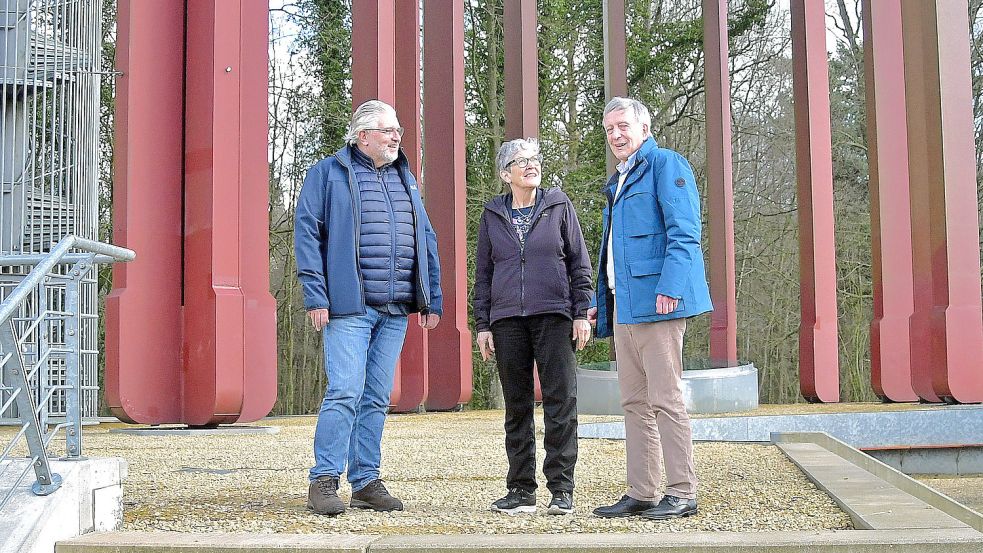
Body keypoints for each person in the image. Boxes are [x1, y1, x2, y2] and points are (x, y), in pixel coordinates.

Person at [294, 99, 442, 516]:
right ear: (363, 136)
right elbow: (308, 235)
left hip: (395, 309)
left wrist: (431, 295)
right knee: (344, 391)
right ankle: (323, 479)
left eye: (398, 131)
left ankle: (366, 481)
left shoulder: (405, 178)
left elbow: (425, 237)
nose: (397, 137)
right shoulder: (327, 174)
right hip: (347, 308)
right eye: (388, 130)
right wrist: (316, 296)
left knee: (377, 396)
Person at [587, 97, 712, 520]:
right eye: (609, 129)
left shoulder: (665, 165)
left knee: (666, 399)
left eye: (623, 126)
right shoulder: (618, 179)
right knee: (633, 402)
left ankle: (681, 492)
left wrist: (671, 288)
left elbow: (685, 230)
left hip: (659, 303)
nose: (616, 135)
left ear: (644, 128)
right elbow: (611, 251)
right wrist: (596, 301)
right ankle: (642, 492)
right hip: (625, 305)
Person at [473, 138, 594, 515]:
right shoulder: (492, 214)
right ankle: (521, 489)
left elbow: (579, 262)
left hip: (555, 315)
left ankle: (561, 488)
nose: (530, 165)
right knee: (517, 406)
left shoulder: (558, 205)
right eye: (520, 161)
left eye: (534, 159)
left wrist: (581, 311)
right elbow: (483, 274)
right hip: (507, 319)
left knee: (561, 403)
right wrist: (483, 324)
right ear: (505, 174)